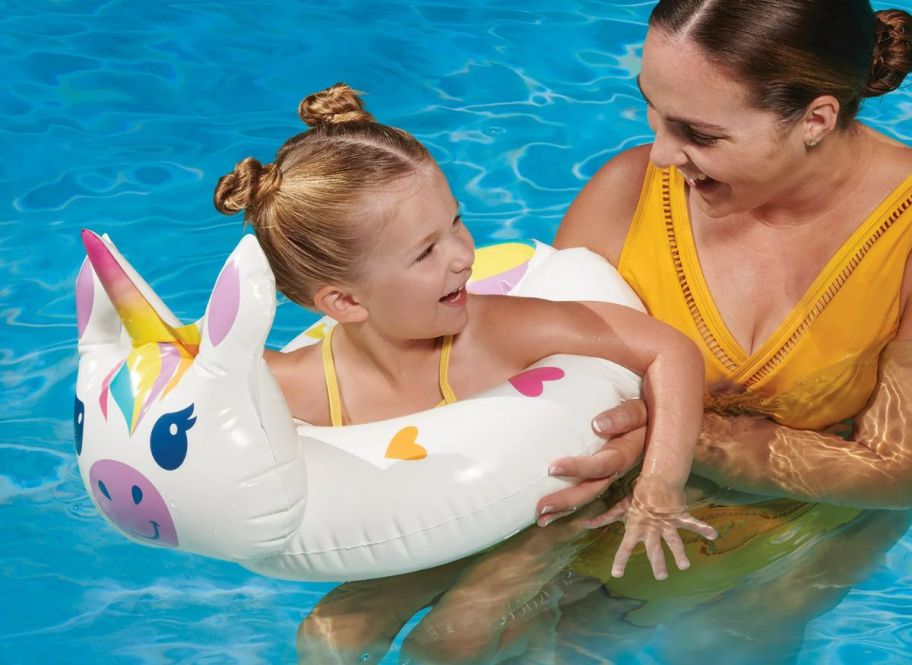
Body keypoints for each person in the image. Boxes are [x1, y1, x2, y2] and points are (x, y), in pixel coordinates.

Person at [291, 2, 912, 664]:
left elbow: (898, 469)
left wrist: (681, 434)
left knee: (710, 641)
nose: (663, 155)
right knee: (348, 631)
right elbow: (538, 379)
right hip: (612, 478)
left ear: (815, 119)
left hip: (808, 501)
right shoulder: (626, 194)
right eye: (652, 109)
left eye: (698, 133)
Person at [212, 83, 718, 660]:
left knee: (448, 642)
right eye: (426, 251)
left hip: (540, 529)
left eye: (456, 221)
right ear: (345, 303)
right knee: (327, 638)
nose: (463, 253)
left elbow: (668, 351)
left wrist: (660, 485)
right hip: (418, 543)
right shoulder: (297, 383)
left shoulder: (495, 332)